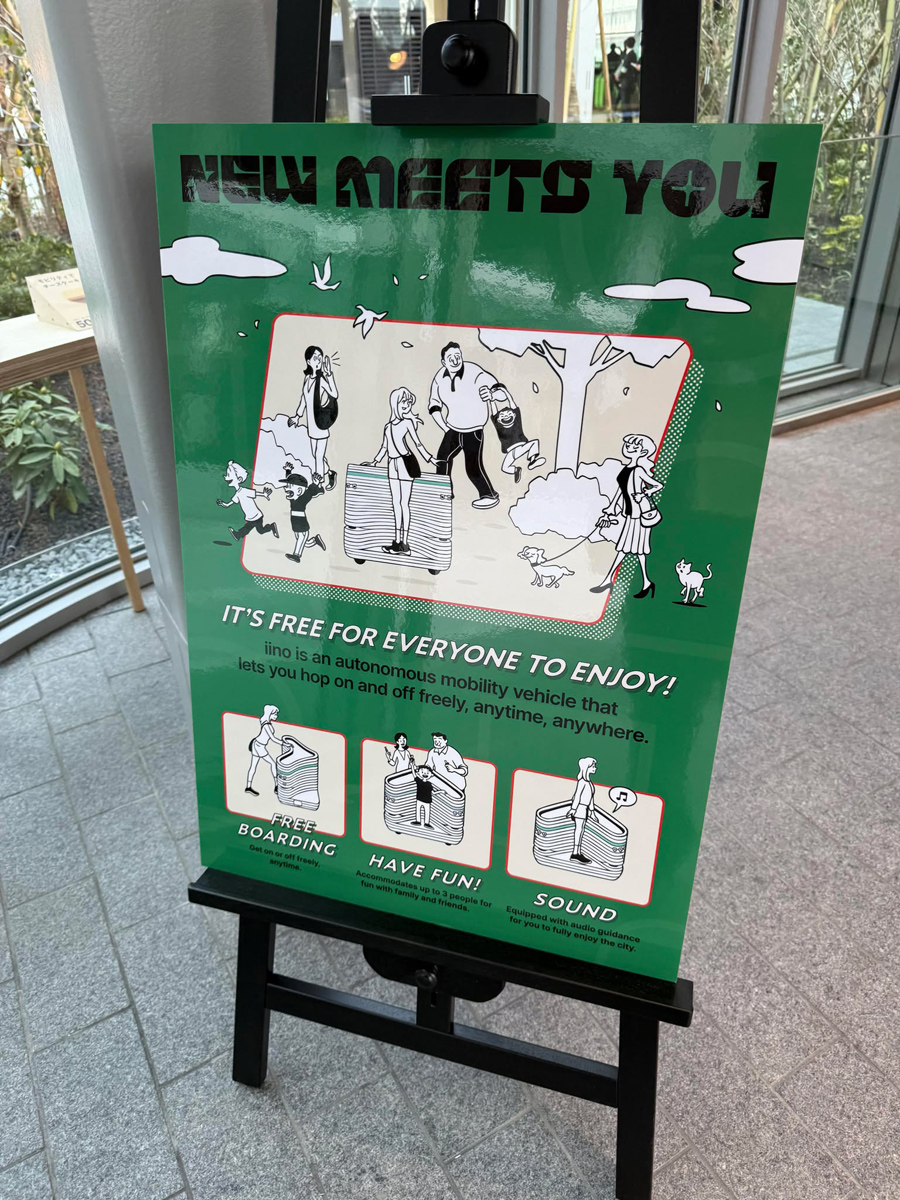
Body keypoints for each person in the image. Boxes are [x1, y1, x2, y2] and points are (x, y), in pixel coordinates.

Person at [591, 433, 663, 599]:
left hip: (640, 514)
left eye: (634, 447)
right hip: (631, 513)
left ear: (643, 452)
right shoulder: (627, 468)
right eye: (628, 445)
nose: (628, 448)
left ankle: (616, 580)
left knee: (633, 549)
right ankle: (641, 582)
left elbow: (657, 485)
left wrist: (644, 493)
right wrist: (611, 508)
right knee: (629, 549)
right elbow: (620, 490)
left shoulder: (638, 470)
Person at [428, 341, 499, 509]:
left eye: (457, 356)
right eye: (450, 358)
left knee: (472, 467)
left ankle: (489, 495)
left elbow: (498, 389)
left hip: (473, 430)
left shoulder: (474, 372)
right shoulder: (439, 377)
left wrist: (492, 393)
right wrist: (444, 427)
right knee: (442, 459)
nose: (455, 360)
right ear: (443, 362)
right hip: (452, 428)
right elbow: (434, 404)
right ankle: (443, 493)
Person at [368, 387, 437, 555]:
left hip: (406, 463)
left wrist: (430, 458)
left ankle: (405, 544)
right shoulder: (388, 427)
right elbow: (384, 447)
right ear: (395, 403)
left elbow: (417, 443)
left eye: (408, 402)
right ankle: (397, 541)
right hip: (392, 464)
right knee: (395, 504)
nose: (406, 405)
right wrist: (374, 462)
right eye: (403, 401)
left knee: (404, 504)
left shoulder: (407, 423)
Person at [289, 345, 338, 490]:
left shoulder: (321, 380)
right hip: (311, 424)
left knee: (318, 455)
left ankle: (318, 483)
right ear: (309, 361)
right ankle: (330, 473)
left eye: (320, 358)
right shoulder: (307, 378)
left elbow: (334, 394)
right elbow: (303, 400)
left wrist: (330, 375)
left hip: (321, 424)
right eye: (315, 358)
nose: (319, 360)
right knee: (315, 454)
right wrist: (297, 416)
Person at [487, 383, 545, 483]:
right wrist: (491, 399)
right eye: (503, 415)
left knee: (535, 442)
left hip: (520, 446)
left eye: (508, 414)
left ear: (514, 415)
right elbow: (493, 408)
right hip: (510, 451)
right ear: (499, 419)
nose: (506, 416)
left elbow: (511, 401)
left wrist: (504, 391)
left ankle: (532, 461)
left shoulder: (516, 417)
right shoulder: (497, 422)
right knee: (504, 468)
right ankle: (516, 470)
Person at [274, 461, 326, 563]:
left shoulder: (303, 498)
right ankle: (315, 540)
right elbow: (290, 480)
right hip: (294, 521)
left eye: (288, 487)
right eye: (286, 486)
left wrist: (315, 483)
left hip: (301, 522)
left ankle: (296, 555)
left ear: (299, 491)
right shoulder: (292, 498)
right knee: (304, 541)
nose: (285, 488)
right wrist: (288, 470)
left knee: (301, 538)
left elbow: (309, 492)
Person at [217, 461, 278, 543]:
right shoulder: (237, 494)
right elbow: (229, 504)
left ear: (239, 479)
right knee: (248, 529)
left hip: (256, 515)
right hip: (250, 517)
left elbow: (255, 493)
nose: (226, 478)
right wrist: (222, 504)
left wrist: (264, 494)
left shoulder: (244, 491)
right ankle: (238, 535)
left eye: (229, 476)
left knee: (260, 531)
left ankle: (271, 526)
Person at [246, 704, 283, 796]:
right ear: (270, 714)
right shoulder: (266, 725)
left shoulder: (267, 723)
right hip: (259, 746)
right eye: (275, 714)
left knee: (253, 766)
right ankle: (276, 786)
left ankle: (248, 786)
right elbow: (273, 738)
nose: (276, 716)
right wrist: (283, 743)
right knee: (272, 763)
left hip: (257, 744)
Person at [567, 756, 599, 863]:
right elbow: (577, 796)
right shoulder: (582, 782)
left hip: (584, 809)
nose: (595, 768)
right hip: (580, 808)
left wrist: (592, 812)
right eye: (593, 766)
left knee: (581, 830)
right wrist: (573, 809)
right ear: (587, 768)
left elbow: (591, 799)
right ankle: (575, 853)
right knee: (579, 830)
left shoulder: (589, 782)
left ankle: (577, 852)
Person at [616, 36, 640, 122]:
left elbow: (624, 69)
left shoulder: (629, 55)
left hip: (626, 82)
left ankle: (626, 119)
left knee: (625, 102)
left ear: (626, 44)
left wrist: (619, 77)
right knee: (627, 101)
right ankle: (628, 119)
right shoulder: (633, 54)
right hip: (630, 82)